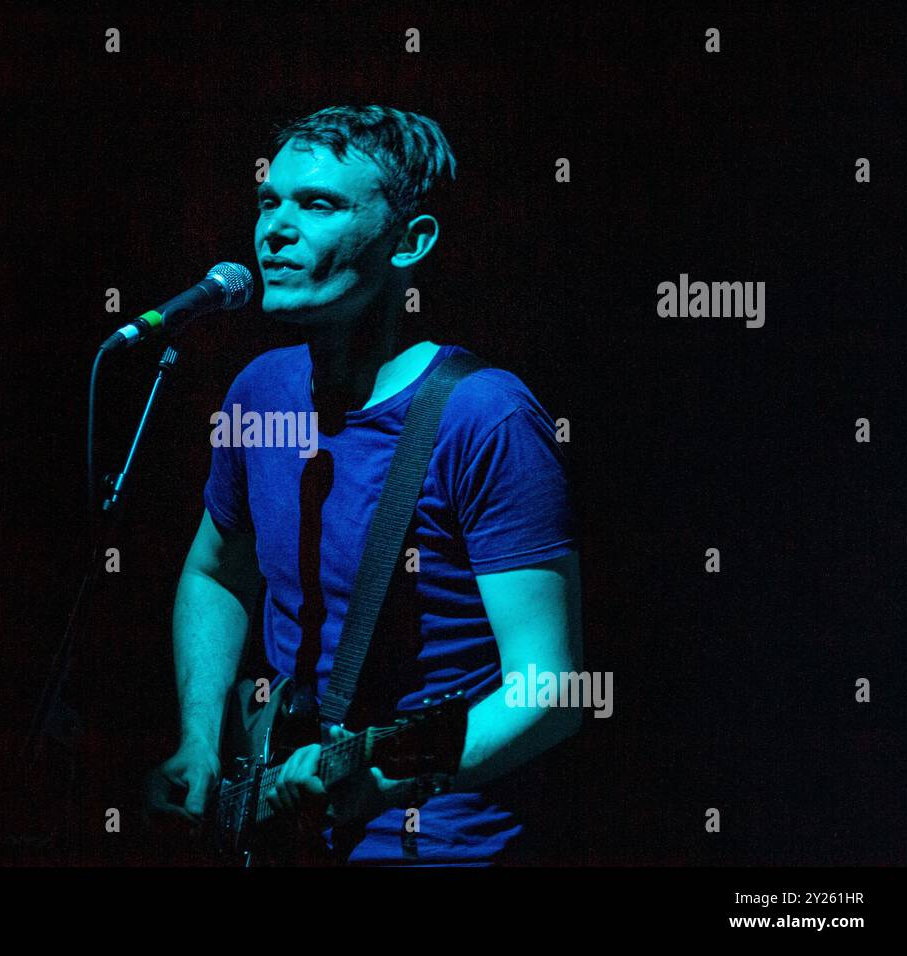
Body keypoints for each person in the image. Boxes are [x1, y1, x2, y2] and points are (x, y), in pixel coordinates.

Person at [145, 105, 583, 865]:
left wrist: (378, 781)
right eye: (268, 201)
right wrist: (197, 740)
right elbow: (217, 572)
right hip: (281, 833)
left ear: (410, 241)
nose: (274, 229)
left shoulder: (486, 417)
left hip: (437, 840)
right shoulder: (260, 391)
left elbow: (551, 691)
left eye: (318, 205)